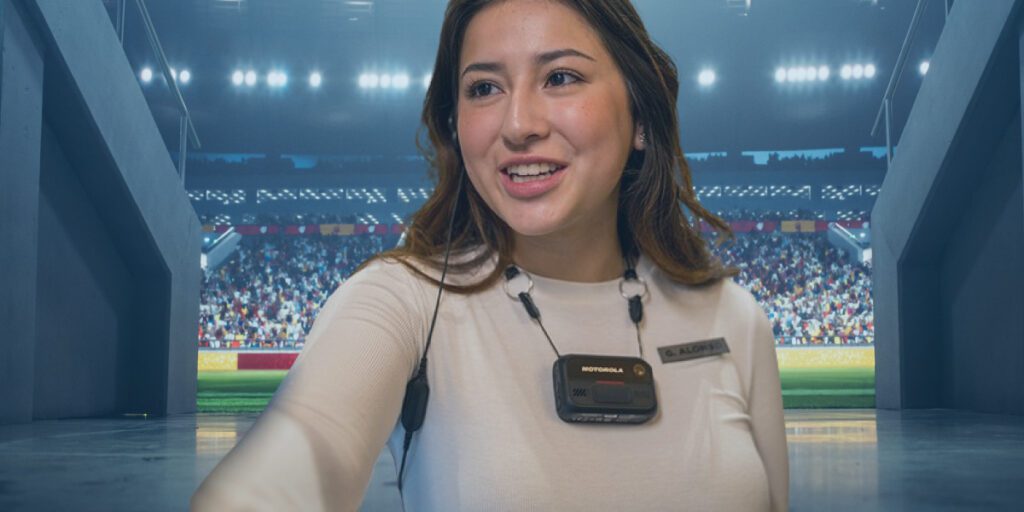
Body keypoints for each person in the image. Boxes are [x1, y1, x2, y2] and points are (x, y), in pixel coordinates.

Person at [191, 0, 788, 510]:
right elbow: (293, 456)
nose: (518, 124)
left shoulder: (733, 318)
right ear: (456, 127)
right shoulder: (401, 302)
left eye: (560, 77)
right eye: (484, 88)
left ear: (640, 116)